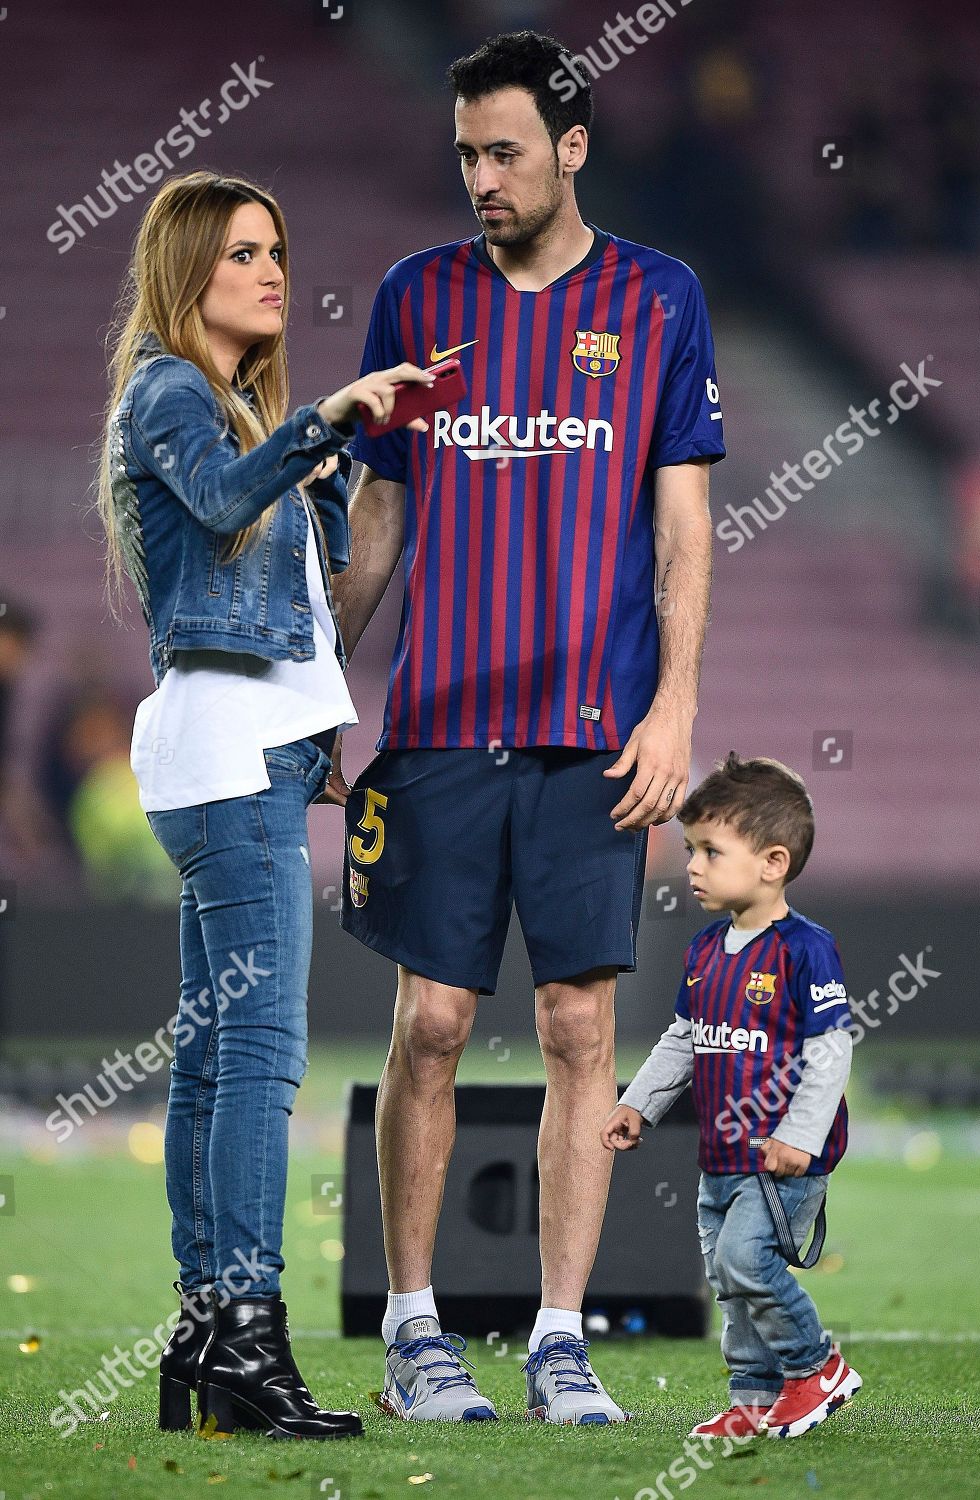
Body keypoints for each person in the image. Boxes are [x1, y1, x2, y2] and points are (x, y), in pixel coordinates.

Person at [325, 31, 725, 1423]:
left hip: (591, 733)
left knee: (573, 1027)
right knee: (431, 1022)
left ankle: (560, 1340)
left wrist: (673, 708)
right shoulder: (415, 297)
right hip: (439, 725)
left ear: (571, 147)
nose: (480, 178)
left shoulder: (659, 299)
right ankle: (412, 1334)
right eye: (464, 156)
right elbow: (381, 509)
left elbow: (682, 528)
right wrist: (322, 689)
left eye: (503, 152)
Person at [96, 168, 433, 1440]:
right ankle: (245, 1332)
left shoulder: (233, 403)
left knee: (210, 1058)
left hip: (252, 752)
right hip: (229, 757)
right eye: (242, 252)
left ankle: (204, 1338)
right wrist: (327, 419)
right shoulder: (172, 391)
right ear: (187, 270)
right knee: (260, 1057)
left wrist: (322, 729)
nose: (272, 271)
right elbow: (224, 503)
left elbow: (305, 597)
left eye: (277, 248)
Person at [603, 753, 863, 1440]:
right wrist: (639, 1103)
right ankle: (752, 1400)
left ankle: (817, 1367)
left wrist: (800, 1136)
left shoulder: (806, 949)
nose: (692, 866)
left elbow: (831, 1050)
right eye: (692, 850)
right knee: (727, 1277)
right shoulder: (704, 951)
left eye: (710, 851)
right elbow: (685, 1038)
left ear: (773, 863)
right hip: (719, 1155)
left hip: (781, 1160)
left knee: (747, 1261)